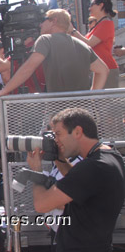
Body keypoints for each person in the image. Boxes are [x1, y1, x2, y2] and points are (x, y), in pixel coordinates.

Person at [27, 108, 125, 252]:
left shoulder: (92, 167)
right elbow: (78, 183)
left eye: (58, 134)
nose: (56, 140)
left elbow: (42, 204)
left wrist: (36, 171)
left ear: (78, 132)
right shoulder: (110, 156)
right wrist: (59, 159)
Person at [0, 9, 109, 105]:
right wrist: (91, 97)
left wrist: (4, 91)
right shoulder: (82, 45)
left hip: (59, 109)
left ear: (54, 21)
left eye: (44, 20)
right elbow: (103, 70)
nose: (41, 24)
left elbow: (28, 68)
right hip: (83, 109)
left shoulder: (45, 40)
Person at [72, 0, 119, 88]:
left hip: (107, 67)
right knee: (96, 101)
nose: (89, 8)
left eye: (92, 5)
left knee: (104, 101)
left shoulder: (106, 23)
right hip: (98, 68)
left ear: (101, 5)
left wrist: (73, 31)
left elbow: (89, 43)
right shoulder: (99, 24)